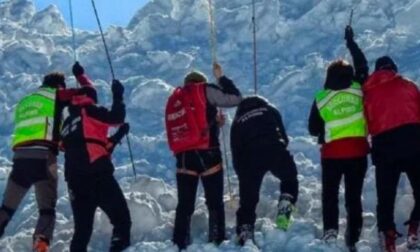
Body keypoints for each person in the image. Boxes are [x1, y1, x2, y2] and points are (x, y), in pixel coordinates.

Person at [0, 62, 92, 252]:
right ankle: (40, 245)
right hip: (44, 157)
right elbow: (89, 94)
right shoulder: (56, 94)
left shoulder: (25, 102)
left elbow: (40, 126)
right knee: (46, 209)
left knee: (7, 208)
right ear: (59, 85)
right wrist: (80, 75)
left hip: (19, 159)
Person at [346, 26, 420, 252]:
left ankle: (387, 237)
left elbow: (360, 64)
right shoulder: (408, 85)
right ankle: (415, 226)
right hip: (413, 141)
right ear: (393, 70)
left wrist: (351, 42)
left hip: (384, 146)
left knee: (385, 196)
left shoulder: (366, 89)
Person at [165, 63, 242, 250]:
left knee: (185, 203)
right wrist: (221, 78)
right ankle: (216, 240)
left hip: (184, 156)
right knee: (214, 201)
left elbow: (193, 123)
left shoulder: (176, 99)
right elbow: (235, 98)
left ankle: (179, 243)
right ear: (201, 82)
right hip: (208, 154)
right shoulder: (205, 89)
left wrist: (214, 124)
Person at [308, 32, 370, 250]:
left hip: (332, 154)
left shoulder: (321, 98)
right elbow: (362, 64)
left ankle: (330, 233)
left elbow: (313, 128)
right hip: (358, 152)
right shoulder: (359, 88)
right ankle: (353, 237)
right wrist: (351, 43)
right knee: (354, 197)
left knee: (330, 195)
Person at [60, 79, 131, 252]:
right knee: (121, 220)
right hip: (97, 174)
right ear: (91, 98)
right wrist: (118, 95)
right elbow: (117, 118)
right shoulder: (90, 110)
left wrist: (117, 136)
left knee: (82, 231)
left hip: (74, 181)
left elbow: (88, 143)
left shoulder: (67, 123)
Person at [230, 95, 298, 245]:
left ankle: (245, 232)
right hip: (274, 148)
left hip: (250, 156)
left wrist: (243, 176)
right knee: (289, 178)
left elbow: (236, 149)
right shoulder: (270, 109)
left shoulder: (237, 120)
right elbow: (284, 136)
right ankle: (285, 206)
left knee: (248, 201)